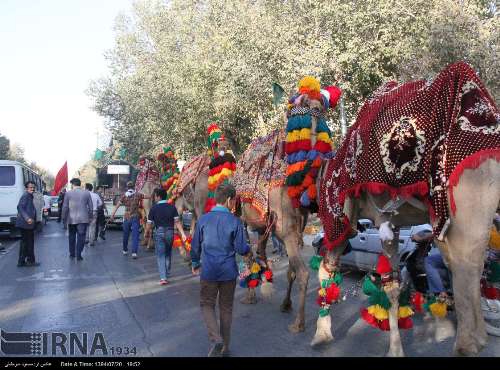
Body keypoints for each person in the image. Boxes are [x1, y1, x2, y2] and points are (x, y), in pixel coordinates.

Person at [190, 183, 250, 357]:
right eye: (234, 201)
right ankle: (225, 347)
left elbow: (195, 247)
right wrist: (248, 249)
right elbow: (240, 248)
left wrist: (195, 263)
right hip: (228, 272)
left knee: (207, 304)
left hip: (208, 271)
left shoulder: (203, 219)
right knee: (226, 308)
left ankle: (216, 338)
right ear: (230, 200)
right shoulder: (235, 221)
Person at [145, 188, 187, 285]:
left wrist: (147, 232)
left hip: (159, 232)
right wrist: (183, 233)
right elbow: (177, 222)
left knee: (160, 255)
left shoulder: (154, 208)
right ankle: (166, 272)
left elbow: (149, 223)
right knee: (168, 253)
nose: (154, 198)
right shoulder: (172, 207)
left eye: (155, 196)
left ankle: (163, 278)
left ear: (159, 197)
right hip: (170, 232)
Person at [110, 181, 145, 259]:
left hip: (126, 217)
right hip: (135, 217)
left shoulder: (124, 196)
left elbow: (117, 206)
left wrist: (112, 214)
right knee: (135, 235)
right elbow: (147, 196)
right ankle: (134, 253)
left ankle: (125, 250)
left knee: (126, 234)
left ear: (127, 187)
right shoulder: (138, 194)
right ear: (134, 187)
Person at [62, 178, 93, 261]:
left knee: (71, 236)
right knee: (81, 237)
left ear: (73, 184)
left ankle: (72, 253)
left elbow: (65, 207)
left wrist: (63, 218)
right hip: (83, 219)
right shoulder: (87, 193)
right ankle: (79, 254)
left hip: (71, 219)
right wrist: (90, 217)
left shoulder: (68, 193)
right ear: (80, 184)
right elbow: (91, 207)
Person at [15, 181, 39, 267]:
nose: (32, 189)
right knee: (28, 242)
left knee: (26, 242)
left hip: (27, 223)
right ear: (26, 188)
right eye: (30, 187)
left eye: (33, 187)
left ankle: (23, 261)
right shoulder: (25, 196)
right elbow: (20, 207)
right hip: (26, 223)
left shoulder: (29, 195)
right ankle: (29, 261)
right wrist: (27, 218)